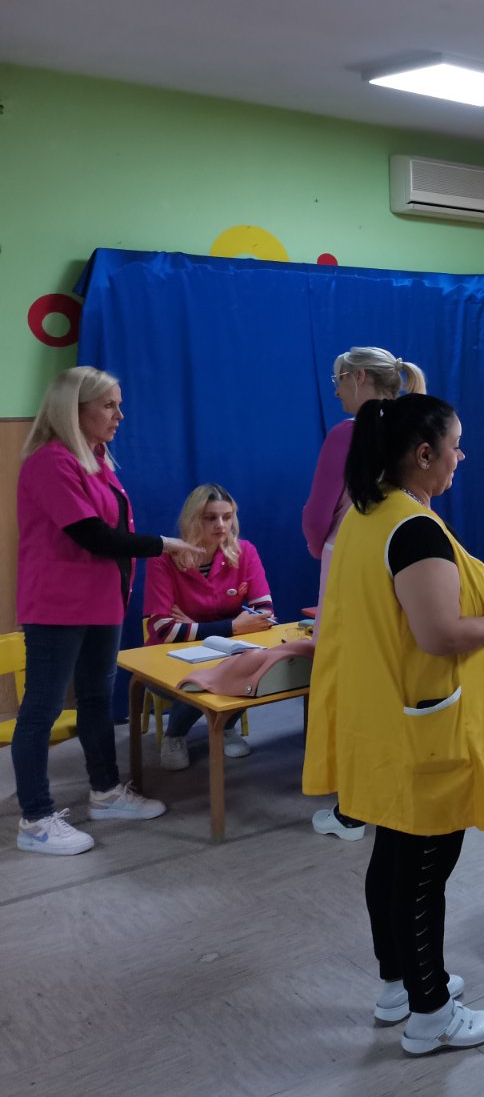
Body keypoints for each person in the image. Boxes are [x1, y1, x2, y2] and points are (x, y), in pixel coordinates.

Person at [302, 393, 484, 1056]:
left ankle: (399, 986)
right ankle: (431, 1013)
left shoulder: (366, 514)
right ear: (424, 453)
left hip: (383, 720)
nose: (463, 456)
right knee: (425, 870)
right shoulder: (413, 530)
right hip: (423, 730)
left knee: (394, 859)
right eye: (455, 445)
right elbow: (440, 635)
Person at [12, 366, 202, 856]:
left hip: (101, 602)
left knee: (97, 699)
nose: (120, 414)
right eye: (109, 405)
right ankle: (35, 820)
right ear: (74, 410)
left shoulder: (95, 459)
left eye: (119, 404)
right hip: (57, 606)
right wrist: (165, 545)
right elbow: (93, 536)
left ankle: (105, 792)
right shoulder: (51, 462)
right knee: (42, 709)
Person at [301, 346, 425, 841]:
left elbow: (317, 513)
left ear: (357, 377)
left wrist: (320, 547)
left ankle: (352, 807)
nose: (335, 391)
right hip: (405, 556)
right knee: (394, 669)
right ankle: (397, 782)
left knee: (348, 678)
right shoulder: (415, 426)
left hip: (353, 560)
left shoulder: (348, 434)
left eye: (338, 380)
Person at [143, 484, 275, 771]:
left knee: (258, 665)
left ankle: (226, 726)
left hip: (223, 653)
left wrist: (196, 627)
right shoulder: (163, 558)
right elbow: (165, 630)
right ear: (193, 520)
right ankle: (175, 736)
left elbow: (265, 614)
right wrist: (233, 626)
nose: (221, 525)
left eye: (227, 517)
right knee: (200, 680)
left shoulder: (245, 552)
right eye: (210, 518)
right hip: (167, 657)